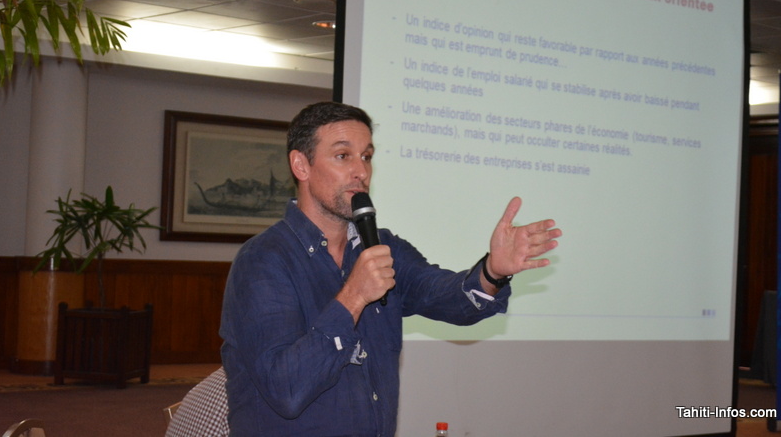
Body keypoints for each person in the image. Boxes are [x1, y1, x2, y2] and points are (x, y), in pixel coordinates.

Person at [219, 101, 561, 436]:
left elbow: (442, 295)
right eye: (343, 156)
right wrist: (353, 297)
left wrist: (492, 271)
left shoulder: (382, 246)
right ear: (301, 165)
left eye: (367, 156)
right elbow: (287, 390)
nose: (362, 171)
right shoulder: (263, 260)